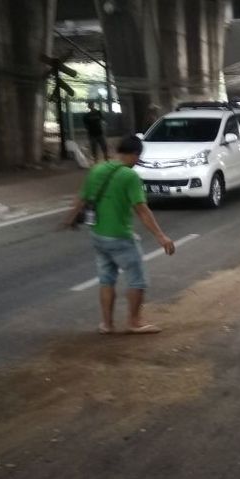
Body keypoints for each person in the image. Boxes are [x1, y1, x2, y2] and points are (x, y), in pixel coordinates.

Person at [62, 135, 176, 334]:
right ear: (133, 154)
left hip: (98, 234)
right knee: (137, 280)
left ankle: (107, 324)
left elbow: (81, 198)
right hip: (120, 237)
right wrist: (161, 236)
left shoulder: (97, 169)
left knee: (106, 279)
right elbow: (142, 210)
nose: (138, 161)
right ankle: (134, 322)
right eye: (138, 157)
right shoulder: (129, 176)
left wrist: (69, 219)